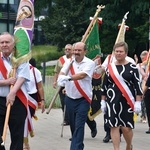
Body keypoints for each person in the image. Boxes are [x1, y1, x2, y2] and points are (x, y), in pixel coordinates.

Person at [101, 41, 143, 150]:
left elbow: (137, 86)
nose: (118, 53)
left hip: (127, 101)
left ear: (126, 53)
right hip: (112, 101)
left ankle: (129, 145)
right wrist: (102, 101)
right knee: (113, 126)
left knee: (126, 128)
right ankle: (116, 148)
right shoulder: (109, 68)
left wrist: (138, 102)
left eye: (121, 51)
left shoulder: (132, 68)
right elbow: (104, 85)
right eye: (116, 51)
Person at [57, 42, 95, 150]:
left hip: (83, 99)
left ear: (85, 51)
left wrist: (68, 78)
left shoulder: (90, 63)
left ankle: (75, 148)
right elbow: (62, 72)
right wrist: (61, 78)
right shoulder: (69, 62)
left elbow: (82, 75)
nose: (76, 52)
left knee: (79, 126)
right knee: (73, 127)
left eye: (79, 50)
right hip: (69, 98)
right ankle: (79, 146)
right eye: (75, 50)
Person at [0, 32, 30, 150]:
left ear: (13, 44)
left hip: (17, 102)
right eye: (2, 42)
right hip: (0, 101)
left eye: (7, 42)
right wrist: (6, 82)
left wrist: (12, 93)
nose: (4, 45)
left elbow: (22, 77)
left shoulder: (21, 58)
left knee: (17, 137)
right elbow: (9, 81)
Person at [23, 58, 45, 150]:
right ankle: (24, 143)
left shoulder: (34, 71)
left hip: (31, 98)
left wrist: (43, 100)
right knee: (21, 121)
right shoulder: (14, 69)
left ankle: (25, 141)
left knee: (26, 120)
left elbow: (40, 87)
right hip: (19, 97)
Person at [53, 44, 73, 125]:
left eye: (69, 49)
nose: (67, 50)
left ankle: (71, 118)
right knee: (63, 102)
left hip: (71, 83)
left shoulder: (74, 60)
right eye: (66, 49)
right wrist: (55, 81)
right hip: (62, 84)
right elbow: (56, 71)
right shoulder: (61, 60)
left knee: (70, 102)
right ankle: (66, 119)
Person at [134, 51, 148, 123]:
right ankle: (143, 116)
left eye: (144, 58)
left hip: (147, 84)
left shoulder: (147, 65)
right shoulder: (139, 66)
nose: (143, 60)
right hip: (140, 84)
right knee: (142, 101)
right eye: (142, 58)